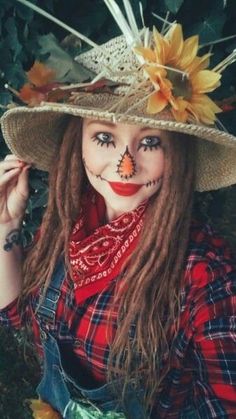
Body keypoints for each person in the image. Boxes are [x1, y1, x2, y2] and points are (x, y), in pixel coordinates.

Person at [0, 0, 236, 417]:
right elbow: (20, 315)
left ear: (177, 155)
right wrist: (7, 226)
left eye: (150, 142)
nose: (125, 167)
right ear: (79, 145)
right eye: (105, 138)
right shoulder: (67, 225)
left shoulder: (203, 274)